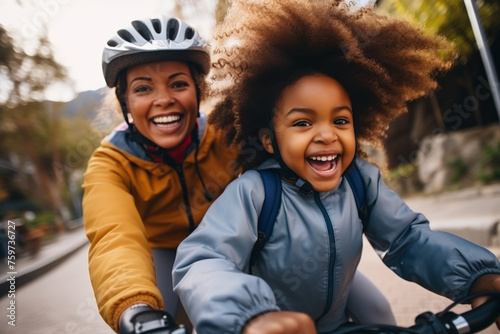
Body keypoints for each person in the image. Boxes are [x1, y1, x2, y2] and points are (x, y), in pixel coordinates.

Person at [172, 1, 500, 333]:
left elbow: (408, 239)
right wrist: (251, 317)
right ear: (269, 141)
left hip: (337, 322)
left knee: (380, 314)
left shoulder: (360, 182)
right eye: (302, 123)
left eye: (340, 120)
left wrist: (479, 276)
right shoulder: (256, 192)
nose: (327, 134)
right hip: (273, 326)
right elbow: (204, 259)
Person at [81, 15, 240, 333]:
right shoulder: (110, 162)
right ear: (125, 102)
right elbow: (113, 237)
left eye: (179, 84)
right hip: (161, 255)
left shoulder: (229, 133)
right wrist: (135, 310)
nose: (164, 99)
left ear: (199, 92)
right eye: (143, 88)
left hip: (228, 246)